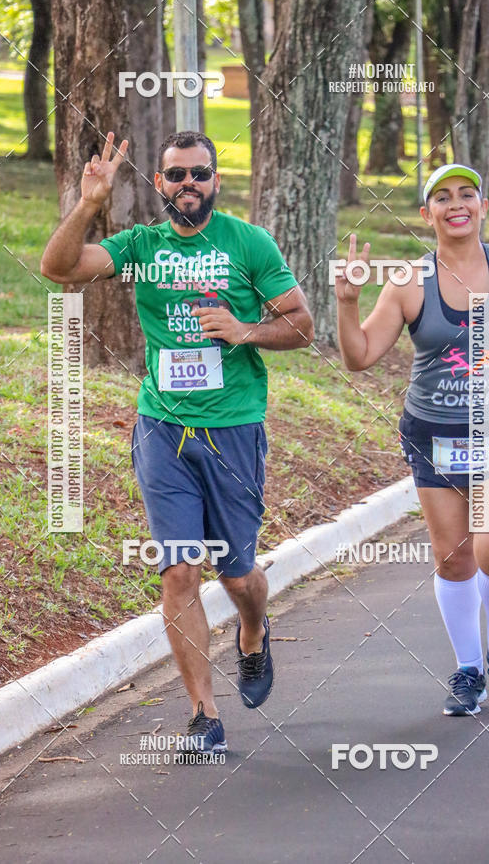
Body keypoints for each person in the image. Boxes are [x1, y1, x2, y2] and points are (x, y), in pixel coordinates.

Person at [41, 130, 314, 749]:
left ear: (216, 181)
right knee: (178, 572)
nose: (187, 183)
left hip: (234, 429)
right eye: (175, 175)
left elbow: (301, 326)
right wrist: (88, 205)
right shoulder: (142, 246)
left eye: (199, 173)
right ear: (160, 184)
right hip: (162, 428)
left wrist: (244, 330)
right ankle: (203, 716)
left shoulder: (248, 242)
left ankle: (252, 631)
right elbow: (59, 269)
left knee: (239, 576)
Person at [336, 163, 489, 716]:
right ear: (427, 215)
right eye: (442, 197)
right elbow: (359, 357)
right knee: (453, 557)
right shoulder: (408, 284)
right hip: (434, 431)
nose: (456, 203)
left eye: (467, 194)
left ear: (483, 206)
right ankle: (469, 671)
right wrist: (347, 302)